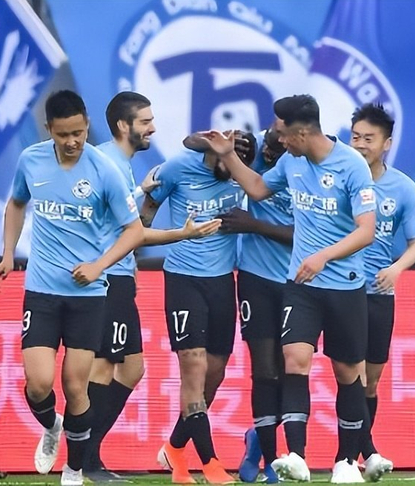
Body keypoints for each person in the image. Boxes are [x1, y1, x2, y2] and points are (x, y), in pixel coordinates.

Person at [196, 94, 377, 484]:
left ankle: (347, 462)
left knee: (348, 372)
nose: (276, 139)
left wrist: (323, 256)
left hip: (344, 284)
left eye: (281, 132)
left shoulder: (351, 166)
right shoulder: (293, 162)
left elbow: (366, 231)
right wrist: (228, 155)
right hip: (302, 284)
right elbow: (258, 187)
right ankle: (295, 455)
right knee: (294, 359)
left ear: (301, 133)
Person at [0, 90, 144, 486]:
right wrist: (8, 253)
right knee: (39, 385)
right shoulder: (31, 160)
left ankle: (74, 469)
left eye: (78, 132)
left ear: (87, 125)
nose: (72, 141)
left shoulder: (104, 169)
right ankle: (51, 426)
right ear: (49, 130)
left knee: (76, 387)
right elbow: (16, 204)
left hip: (87, 296)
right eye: (63, 135)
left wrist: (98, 266)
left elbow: (134, 230)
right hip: (42, 290)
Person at [82, 91, 222, 482]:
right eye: (145, 122)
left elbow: (128, 225)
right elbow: (117, 225)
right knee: (104, 365)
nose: (153, 128)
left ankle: (87, 451)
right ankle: (84, 459)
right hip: (106, 278)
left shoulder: (121, 165)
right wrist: (182, 232)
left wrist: (140, 196)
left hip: (120, 277)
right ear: (123, 125)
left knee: (132, 369)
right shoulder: (105, 161)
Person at [140, 131, 257, 484]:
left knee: (214, 375)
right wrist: (132, 249)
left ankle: (175, 447)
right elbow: (147, 211)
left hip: (223, 281)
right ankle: (210, 463)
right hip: (184, 280)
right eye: (227, 160)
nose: (232, 168)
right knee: (193, 368)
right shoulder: (177, 168)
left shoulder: (243, 166)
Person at [208, 127, 293, 484]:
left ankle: (257, 439)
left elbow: (310, 235)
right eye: (270, 138)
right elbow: (197, 143)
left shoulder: (311, 167)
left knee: (290, 374)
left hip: (297, 281)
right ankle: (272, 461)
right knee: (265, 371)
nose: (270, 152)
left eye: (279, 145)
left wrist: (253, 225)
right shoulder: (252, 147)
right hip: (255, 279)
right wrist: (228, 146)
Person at [349, 104, 415, 481]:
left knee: (372, 380)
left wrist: (396, 268)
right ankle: (364, 453)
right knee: (354, 376)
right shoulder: (340, 179)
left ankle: (358, 453)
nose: (361, 145)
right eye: (355, 137)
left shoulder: (403, 187)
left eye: (369, 138)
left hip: (380, 292)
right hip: (342, 289)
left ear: (387, 143)